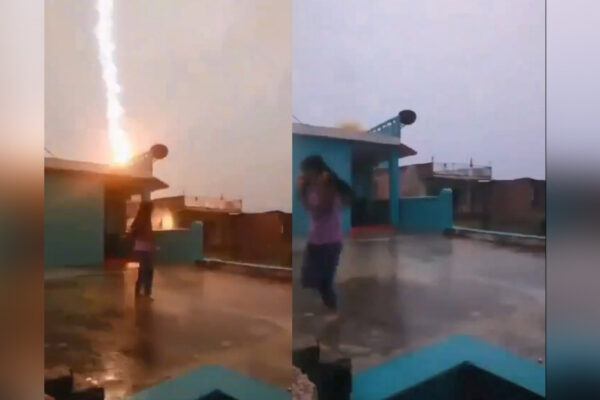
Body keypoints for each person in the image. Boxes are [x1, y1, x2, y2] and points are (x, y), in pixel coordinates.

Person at [298, 155, 353, 316]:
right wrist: (302, 191)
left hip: (330, 242)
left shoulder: (329, 187)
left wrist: (321, 185)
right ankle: (328, 302)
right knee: (308, 279)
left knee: (325, 282)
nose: (304, 175)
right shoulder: (313, 188)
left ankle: (334, 312)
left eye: (306, 172)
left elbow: (324, 207)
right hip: (315, 240)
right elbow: (310, 208)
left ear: (315, 171)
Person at [130, 201, 156, 298]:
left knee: (143, 271)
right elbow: (146, 233)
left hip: (142, 247)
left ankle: (140, 292)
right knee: (147, 271)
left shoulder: (141, 217)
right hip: (144, 248)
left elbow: (133, 228)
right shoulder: (143, 218)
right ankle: (145, 293)